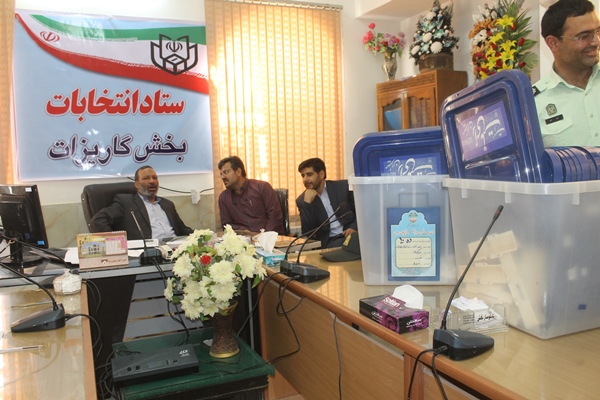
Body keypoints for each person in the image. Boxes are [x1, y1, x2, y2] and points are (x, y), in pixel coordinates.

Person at [533, 0, 600, 146]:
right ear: (553, 43)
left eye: (598, 32)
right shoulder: (535, 103)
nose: (596, 42)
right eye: (584, 36)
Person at [91, 165, 193, 240]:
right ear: (136, 184)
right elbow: (98, 220)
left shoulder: (167, 204)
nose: (152, 181)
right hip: (150, 251)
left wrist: (199, 236)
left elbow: (182, 229)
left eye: (154, 178)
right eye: (146, 178)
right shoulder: (126, 202)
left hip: (175, 248)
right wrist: (114, 242)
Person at [295, 158, 357, 248]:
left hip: (351, 235)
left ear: (321, 174)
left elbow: (361, 211)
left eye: (309, 174)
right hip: (328, 242)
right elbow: (308, 233)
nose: (305, 179)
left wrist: (353, 227)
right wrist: (307, 205)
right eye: (303, 175)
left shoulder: (343, 187)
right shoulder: (302, 201)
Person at [218, 156, 284, 234]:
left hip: (270, 237)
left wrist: (264, 236)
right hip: (243, 239)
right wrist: (245, 232)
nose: (222, 177)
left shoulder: (262, 187)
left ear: (238, 171)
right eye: (221, 174)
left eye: (226, 172)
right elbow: (227, 225)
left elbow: (275, 217)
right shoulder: (224, 197)